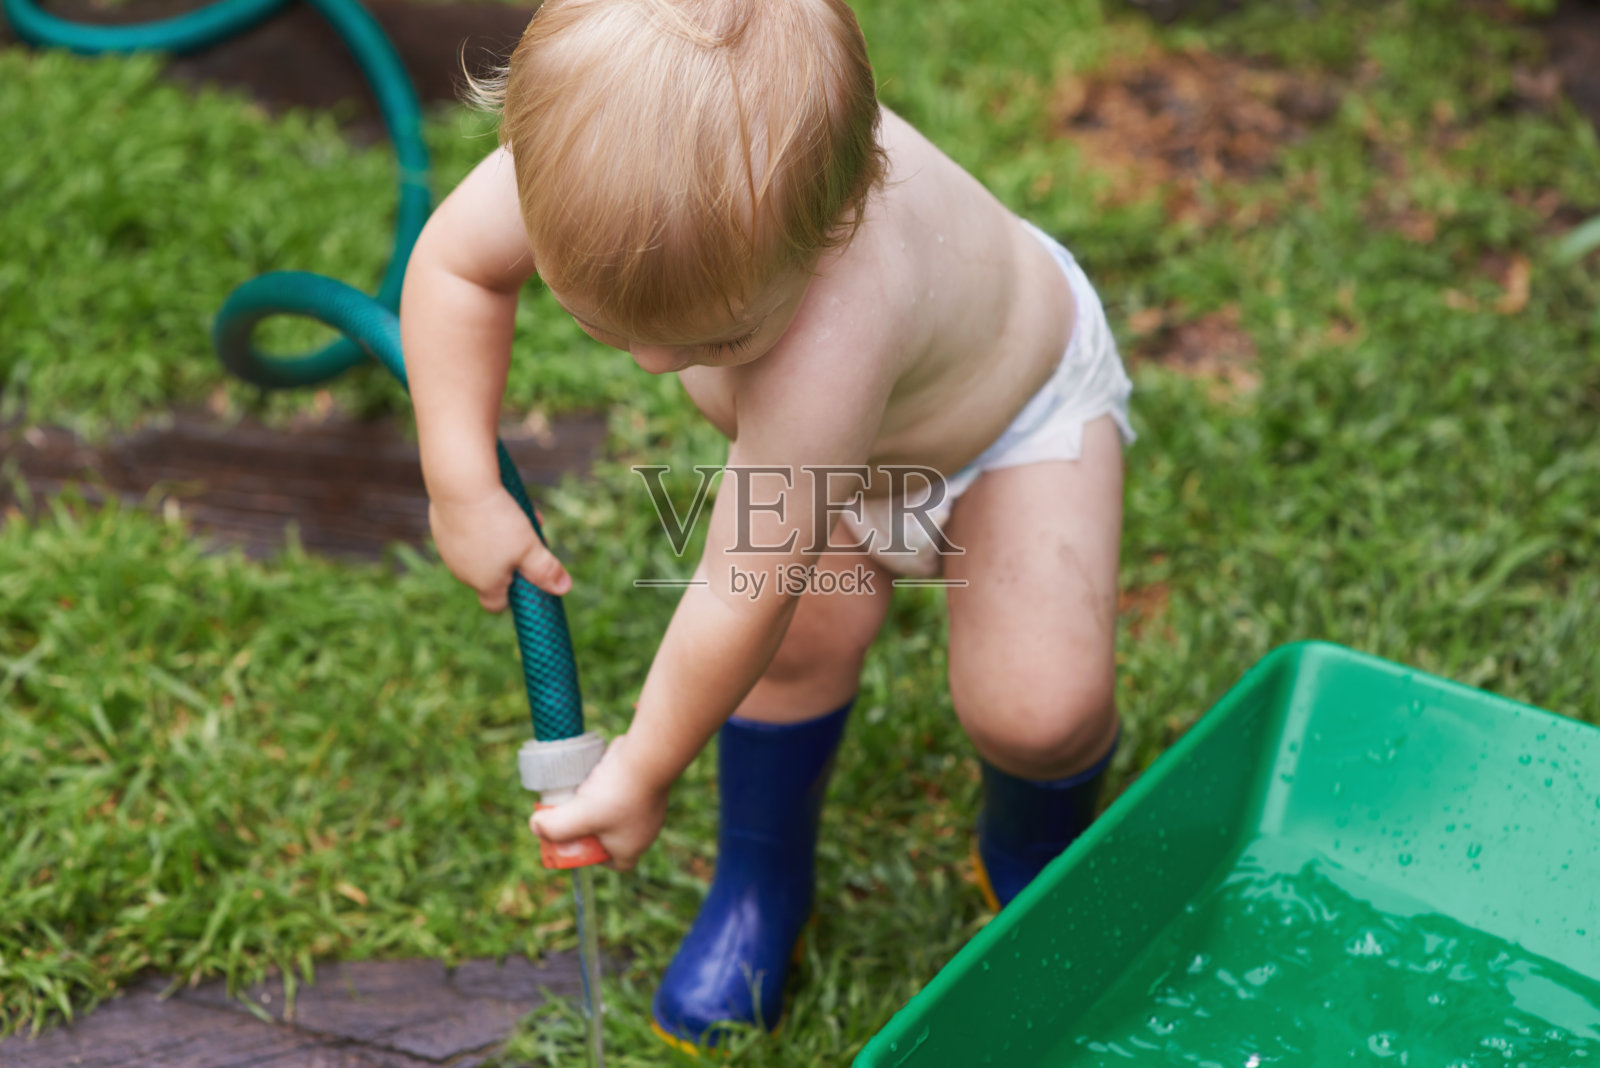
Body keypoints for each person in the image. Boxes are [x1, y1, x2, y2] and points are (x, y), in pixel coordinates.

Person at [399, 0, 1133, 1050]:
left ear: (831, 225)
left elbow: (740, 585)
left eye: (718, 336)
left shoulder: (839, 319)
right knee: (798, 653)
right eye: (602, 325)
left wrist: (642, 769)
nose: (657, 365)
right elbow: (457, 269)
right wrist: (461, 482)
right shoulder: (584, 160)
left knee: (1037, 709)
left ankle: (1032, 857)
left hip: (1012, 426)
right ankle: (759, 877)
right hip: (827, 456)